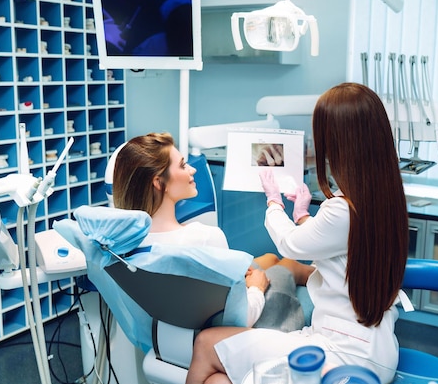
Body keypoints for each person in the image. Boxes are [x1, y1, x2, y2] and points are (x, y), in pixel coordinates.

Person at [185, 82, 409, 384]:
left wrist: (274, 202)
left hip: (343, 355)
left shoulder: (344, 208)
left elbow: (291, 245)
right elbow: (333, 240)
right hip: (377, 349)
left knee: (205, 343)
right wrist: (302, 215)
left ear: (337, 142)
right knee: (217, 382)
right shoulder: (385, 195)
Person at [112, 132, 314, 329]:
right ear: (158, 182)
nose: (192, 170)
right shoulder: (205, 237)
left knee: (269, 258)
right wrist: (256, 288)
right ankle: (337, 282)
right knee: (287, 264)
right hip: (238, 324)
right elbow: (239, 317)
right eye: (183, 165)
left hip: (175, 322)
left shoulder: (125, 244)